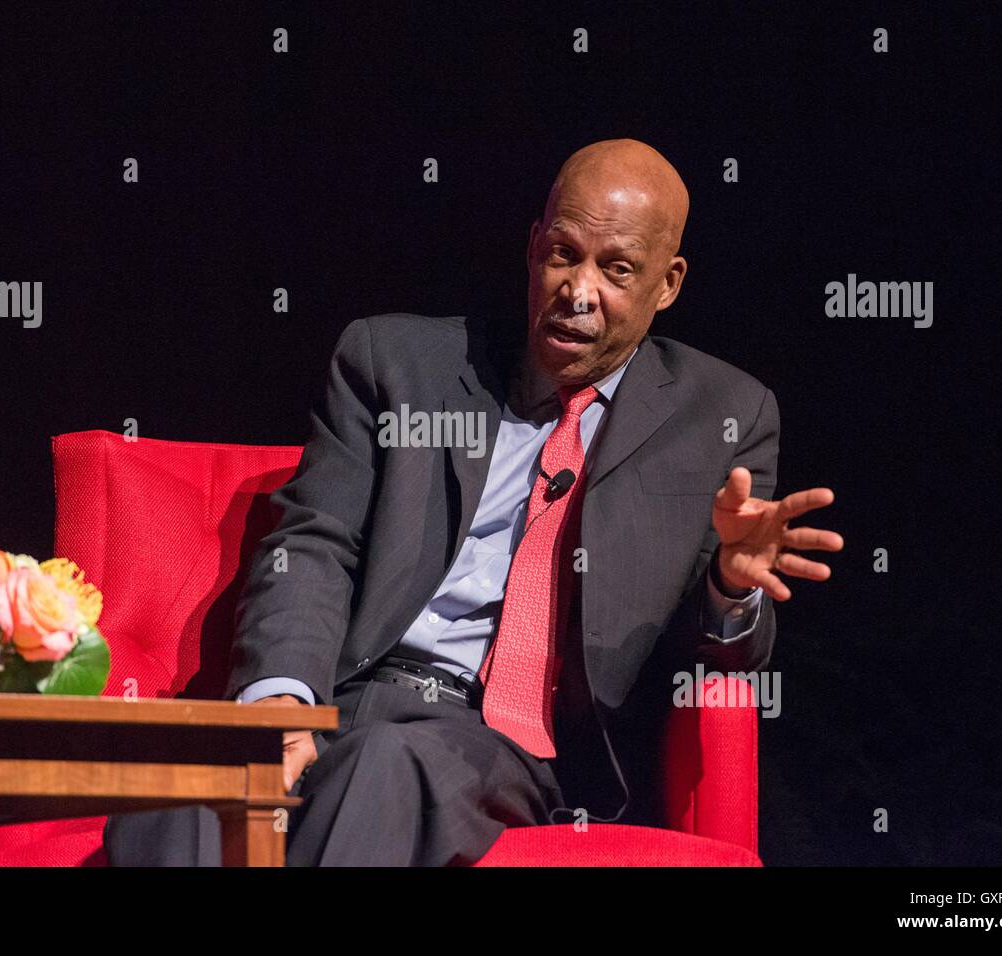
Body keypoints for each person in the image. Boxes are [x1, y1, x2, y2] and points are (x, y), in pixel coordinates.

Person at [104, 137, 842, 866]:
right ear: (532, 247)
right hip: (343, 698)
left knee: (385, 770)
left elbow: (713, 656)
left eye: (616, 270)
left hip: (504, 743)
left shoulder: (723, 416)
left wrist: (729, 588)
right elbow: (314, 541)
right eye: (563, 254)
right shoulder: (397, 366)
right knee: (186, 801)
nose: (578, 291)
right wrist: (280, 705)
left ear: (669, 282)